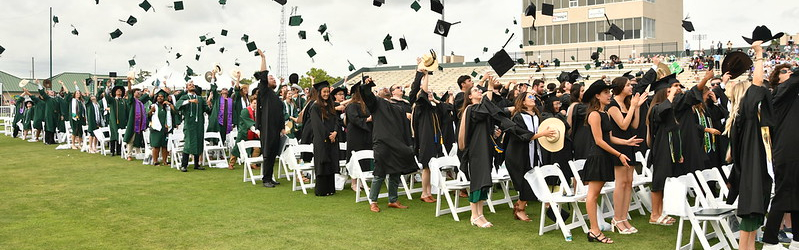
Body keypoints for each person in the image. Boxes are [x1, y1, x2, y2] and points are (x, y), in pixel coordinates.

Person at [725, 41, 774, 250]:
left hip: (754, 173)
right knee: (750, 221)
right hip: (752, 175)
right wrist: (759, 54)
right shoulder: (747, 116)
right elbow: (757, 83)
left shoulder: (742, 119)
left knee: (753, 223)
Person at [646, 68, 709, 226]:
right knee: (659, 181)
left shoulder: (670, 107)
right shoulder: (656, 108)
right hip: (661, 148)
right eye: (670, 89)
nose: (676, 90)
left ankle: (661, 212)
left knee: (666, 181)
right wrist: (672, 94)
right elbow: (663, 110)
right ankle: (654, 214)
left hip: (671, 148)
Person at [582, 80, 641, 243]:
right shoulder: (594, 114)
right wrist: (619, 154)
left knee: (595, 195)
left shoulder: (604, 113)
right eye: (606, 93)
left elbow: (610, 137)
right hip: (597, 158)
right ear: (597, 95)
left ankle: (595, 230)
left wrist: (626, 142)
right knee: (592, 196)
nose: (609, 95)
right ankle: (594, 230)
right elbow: (599, 141)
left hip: (604, 157)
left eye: (609, 92)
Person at [360, 75, 417, 212]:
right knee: (379, 173)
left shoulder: (399, 107)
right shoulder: (377, 103)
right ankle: (373, 201)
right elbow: (367, 96)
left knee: (395, 172)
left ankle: (393, 200)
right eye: (382, 88)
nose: (384, 89)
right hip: (382, 143)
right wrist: (367, 85)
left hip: (397, 143)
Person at [762, 59, 799, 249]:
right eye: (785, 71)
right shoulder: (778, 93)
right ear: (777, 79)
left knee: (796, 195)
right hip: (786, 152)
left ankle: (797, 239)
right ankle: (769, 239)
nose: (790, 72)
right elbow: (795, 81)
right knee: (783, 194)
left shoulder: (791, 95)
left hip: (794, 151)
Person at [505, 92, 556, 222]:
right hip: (519, 154)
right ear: (523, 101)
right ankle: (520, 209)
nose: (533, 99)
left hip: (534, 152)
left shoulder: (537, 116)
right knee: (525, 181)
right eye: (530, 97)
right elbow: (523, 136)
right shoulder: (518, 117)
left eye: (534, 97)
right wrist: (542, 134)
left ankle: (523, 205)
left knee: (535, 179)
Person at [606, 77, 645, 234]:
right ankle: (617, 218)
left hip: (630, 144)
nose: (631, 87)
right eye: (628, 85)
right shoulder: (612, 105)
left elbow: (634, 125)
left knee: (629, 182)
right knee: (621, 183)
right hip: (618, 146)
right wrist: (633, 106)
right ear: (620, 87)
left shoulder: (628, 103)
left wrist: (637, 107)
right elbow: (622, 124)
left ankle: (624, 217)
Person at [410, 70, 443, 202]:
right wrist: (426, 76)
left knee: (429, 167)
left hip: (432, 139)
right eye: (428, 93)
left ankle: (429, 192)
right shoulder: (420, 105)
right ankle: (424, 193)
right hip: (425, 139)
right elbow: (422, 91)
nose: (429, 94)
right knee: (426, 167)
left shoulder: (430, 108)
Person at [254, 49, 285, 187]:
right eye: (271, 78)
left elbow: (280, 113)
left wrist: (282, 127)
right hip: (266, 127)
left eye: (274, 78)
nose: (273, 79)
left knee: (273, 154)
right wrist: (263, 58)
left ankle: (270, 177)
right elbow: (263, 75)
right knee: (267, 153)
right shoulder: (264, 92)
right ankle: (265, 179)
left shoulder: (275, 96)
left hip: (275, 129)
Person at [308, 80, 340, 196]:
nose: (326, 94)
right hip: (321, 140)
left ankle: (330, 189)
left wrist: (335, 132)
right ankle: (322, 190)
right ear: (319, 93)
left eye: (327, 92)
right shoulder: (315, 107)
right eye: (324, 92)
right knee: (323, 163)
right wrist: (328, 135)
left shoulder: (331, 105)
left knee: (331, 163)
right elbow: (318, 125)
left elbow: (336, 120)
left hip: (332, 139)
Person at [345, 81, 373, 191]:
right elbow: (354, 119)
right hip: (355, 134)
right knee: (355, 157)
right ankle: (354, 183)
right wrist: (368, 119)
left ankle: (362, 182)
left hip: (366, 133)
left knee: (365, 158)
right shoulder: (351, 105)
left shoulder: (365, 105)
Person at [177, 81, 209, 172]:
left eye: (193, 85)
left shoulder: (200, 98)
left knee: (198, 142)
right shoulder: (184, 97)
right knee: (188, 143)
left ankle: (196, 164)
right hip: (189, 124)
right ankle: (184, 165)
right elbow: (177, 105)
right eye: (190, 85)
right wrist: (189, 101)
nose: (192, 86)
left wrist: (209, 104)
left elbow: (206, 109)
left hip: (199, 124)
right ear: (186, 88)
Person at [122, 78, 150, 161]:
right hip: (133, 124)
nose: (139, 93)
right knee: (131, 139)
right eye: (137, 92)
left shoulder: (140, 102)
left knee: (138, 139)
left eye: (139, 92)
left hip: (140, 124)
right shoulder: (132, 101)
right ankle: (129, 155)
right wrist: (129, 83)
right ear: (134, 94)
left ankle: (138, 154)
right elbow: (129, 91)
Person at [230, 96, 260, 170]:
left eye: (257, 103)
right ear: (250, 103)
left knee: (257, 148)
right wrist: (256, 131)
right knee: (237, 149)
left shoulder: (258, 112)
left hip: (253, 134)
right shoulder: (245, 111)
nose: (255, 105)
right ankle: (231, 163)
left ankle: (253, 163)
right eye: (254, 103)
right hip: (244, 132)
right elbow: (248, 122)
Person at [148, 89, 175, 166]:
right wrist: (151, 111)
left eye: (162, 96)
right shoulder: (154, 106)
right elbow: (148, 115)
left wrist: (169, 104)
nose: (160, 98)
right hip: (156, 129)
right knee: (156, 146)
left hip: (166, 128)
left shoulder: (167, 106)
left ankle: (165, 161)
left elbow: (175, 112)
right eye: (159, 96)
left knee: (165, 146)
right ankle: (155, 161)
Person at [104, 78, 128, 156]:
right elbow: (107, 96)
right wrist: (107, 87)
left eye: (120, 90)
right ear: (115, 92)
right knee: (114, 135)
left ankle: (119, 151)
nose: (119, 91)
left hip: (122, 121)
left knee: (120, 136)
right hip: (114, 120)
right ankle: (112, 151)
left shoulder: (124, 101)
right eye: (117, 90)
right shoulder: (113, 100)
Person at [38, 80, 62, 145]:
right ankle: (47, 140)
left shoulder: (56, 99)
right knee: (48, 127)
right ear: (48, 93)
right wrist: (39, 84)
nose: (52, 92)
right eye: (51, 92)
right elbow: (42, 93)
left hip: (55, 115)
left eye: (52, 92)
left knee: (53, 127)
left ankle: (52, 140)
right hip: (49, 115)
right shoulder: (47, 98)